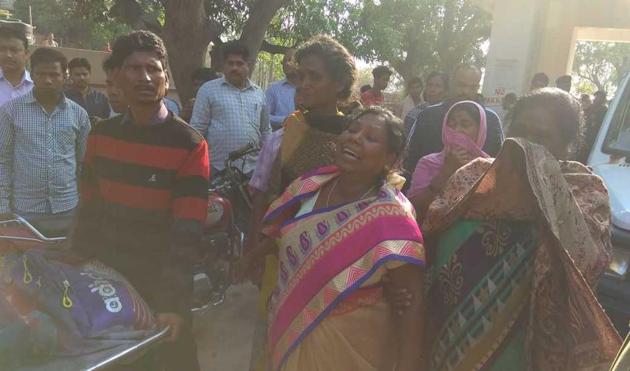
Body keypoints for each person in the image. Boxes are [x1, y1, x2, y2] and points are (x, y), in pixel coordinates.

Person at [392, 88, 619, 371]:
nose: (526, 143)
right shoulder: (475, 176)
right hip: (443, 336)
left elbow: (586, 263)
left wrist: (545, 190)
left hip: (521, 347)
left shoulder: (582, 192)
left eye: (541, 137)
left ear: (567, 145)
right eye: (520, 131)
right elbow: (430, 232)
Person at [246, 107, 426, 371]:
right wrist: (251, 256)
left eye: (371, 138)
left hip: (350, 348)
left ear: (390, 158)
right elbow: (287, 236)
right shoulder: (311, 185)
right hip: (287, 333)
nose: (355, 138)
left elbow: (412, 306)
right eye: (352, 130)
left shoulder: (391, 216)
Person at [69, 31, 208, 370]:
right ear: (114, 76)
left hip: (161, 287)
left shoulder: (189, 145)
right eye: (133, 68)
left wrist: (173, 303)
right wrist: (76, 267)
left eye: (154, 68)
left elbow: (186, 232)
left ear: (165, 76)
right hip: (108, 286)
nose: (145, 77)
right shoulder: (101, 136)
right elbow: (90, 210)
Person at [245, 34, 356, 371]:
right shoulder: (282, 136)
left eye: (314, 77)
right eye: (300, 76)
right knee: (273, 340)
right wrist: (252, 249)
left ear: (339, 84)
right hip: (280, 258)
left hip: (336, 263)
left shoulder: (356, 138)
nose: (303, 85)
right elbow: (262, 194)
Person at [0, 48, 90, 232]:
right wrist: (2, 207)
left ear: (65, 76)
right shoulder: (11, 112)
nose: (47, 80)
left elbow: (84, 163)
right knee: (21, 261)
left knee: (63, 260)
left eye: (54, 75)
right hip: (25, 211)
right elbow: (3, 161)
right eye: (41, 74)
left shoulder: (79, 115)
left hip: (67, 208)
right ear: (31, 74)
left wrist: (85, 204)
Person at [403, 64, 503, 177]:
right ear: (451, 83)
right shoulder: (428, 116)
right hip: (428, 189)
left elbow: (498, 164)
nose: (465, 91)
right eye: (461, 85)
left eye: (472, 87)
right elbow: (410, 160)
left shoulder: (490, 119)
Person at [191, 40, 270, 176]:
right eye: (230, 63)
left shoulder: (259, 93)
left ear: (248, 65)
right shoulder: (208, 90)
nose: (235, 68)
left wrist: (267, 164)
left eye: (239, 63)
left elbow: (265, 131)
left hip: (252, 170)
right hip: (218, 168)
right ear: (224, 65)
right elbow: (197, 130)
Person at [407, 101, 489, 219]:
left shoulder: (488, 166)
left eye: (465, 125)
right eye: (451, 124)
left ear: (480, 130)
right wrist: (446, 171)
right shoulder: (428, 163)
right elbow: (413, 209)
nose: (457, 130)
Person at [403, 71, 449, 135]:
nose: (432, 89)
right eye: (430, 85)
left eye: (438, 86)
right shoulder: (415, 112)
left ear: (446, 91)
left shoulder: (450, 115)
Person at [0, 27, 33, 107]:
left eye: (14, 50)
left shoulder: (37, 86)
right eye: (2, 49)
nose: (8, 55)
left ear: (26, 54)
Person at [266, 48, 298, 129]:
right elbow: (264, 117)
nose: (286, 63)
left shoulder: (307, 88)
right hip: (279, 139)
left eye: (290, 60)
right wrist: (285, 120)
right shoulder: (273, 89)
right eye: (284, 61)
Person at [580, 90, 609, 162]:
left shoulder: (605, 110)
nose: (595, 99)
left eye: (598, 97)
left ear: (603, 99)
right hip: (586, 136)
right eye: (596, 97)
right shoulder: (590, 108)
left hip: (597, 137)